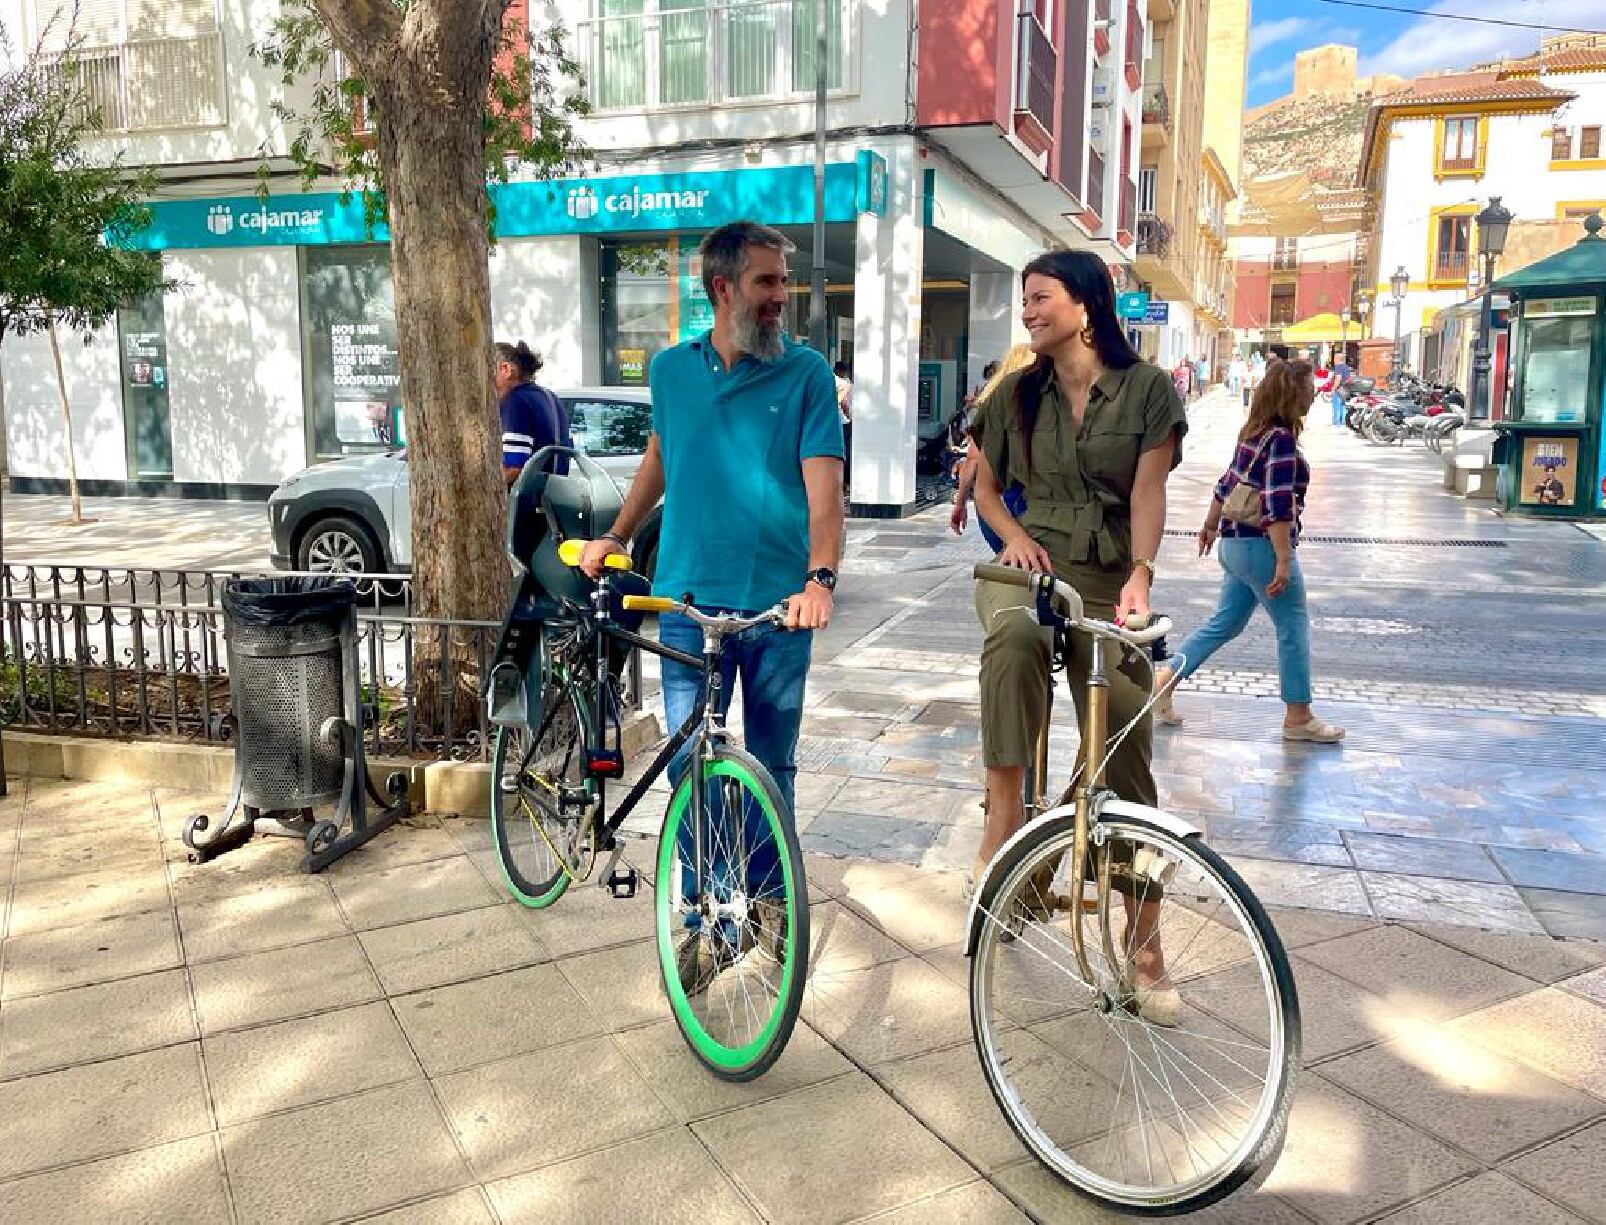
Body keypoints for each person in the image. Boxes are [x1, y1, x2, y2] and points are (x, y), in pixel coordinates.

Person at [580, 221, 844, 966]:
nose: (780, 298)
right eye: (766, 283)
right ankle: (708, 915)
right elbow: (662, 450)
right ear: (721, 288)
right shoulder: (670, 371)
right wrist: (620, 533)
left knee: (772, 762)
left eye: (782, 283)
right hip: (686, 606)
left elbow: (826, 491)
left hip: (776, 610)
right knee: (690, 759)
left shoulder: (807, 376)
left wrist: (820, 579)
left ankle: (770, 899)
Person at [970, 249, 1188, 1025]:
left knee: (1125, 739)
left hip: (1106, 575)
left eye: (1040, 297)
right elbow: (983, 483)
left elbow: (1150, 491)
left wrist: (1142, 574)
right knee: (1014, 643)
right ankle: (1004, 821)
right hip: (1028, 570)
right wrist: (1011, 537)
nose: (1028, 310)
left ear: (1086, 305)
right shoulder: (1015, 393)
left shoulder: (1148, 391)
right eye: (1024, 299)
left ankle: (1145, 937)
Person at [1154, 360, 1344, 744]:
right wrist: (1284, 560)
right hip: (1262, 549)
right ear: (1291, 393)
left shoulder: (1252, 434)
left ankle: (1164, 681)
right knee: (1292, 626)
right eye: (1308, 389)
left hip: (1233, 545)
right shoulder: (1282, 441)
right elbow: (1277, 504)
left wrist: (1209, 526)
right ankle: (1298, 716)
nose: (1313, 396)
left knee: (1225, 622)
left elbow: (1225, 484)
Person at [950, 345, 1035, 544]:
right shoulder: (1043, 403)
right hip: (1034, 497)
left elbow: (973, 460)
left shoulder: (993, 405)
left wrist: (960, 503)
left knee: (1009, 564)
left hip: (997, 500)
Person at [495, 341, 569, 485]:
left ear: (506, 369)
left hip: (525, 503)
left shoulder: (515, 401)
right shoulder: (550, 397)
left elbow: (513, 468)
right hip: (554, 497)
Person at [834, 361, 853, 493]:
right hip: (844, 422)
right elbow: (844, 405)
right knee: (844, 451)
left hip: (839, 421)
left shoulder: (838, 383)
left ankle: (842, 482)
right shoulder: (846, 384)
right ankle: (845, 482)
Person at [1330, 353, 1352, 426]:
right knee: (1343, 405)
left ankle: (1336, 422)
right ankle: (1343, 421)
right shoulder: (1346, 367)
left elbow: (1338, 379)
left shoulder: (1338, 367)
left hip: (1339, 389)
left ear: (1337, 359)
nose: (1333, 360)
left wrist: (1333, 388)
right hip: (1345, 389)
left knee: (1336, 406)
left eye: (1334, 358)